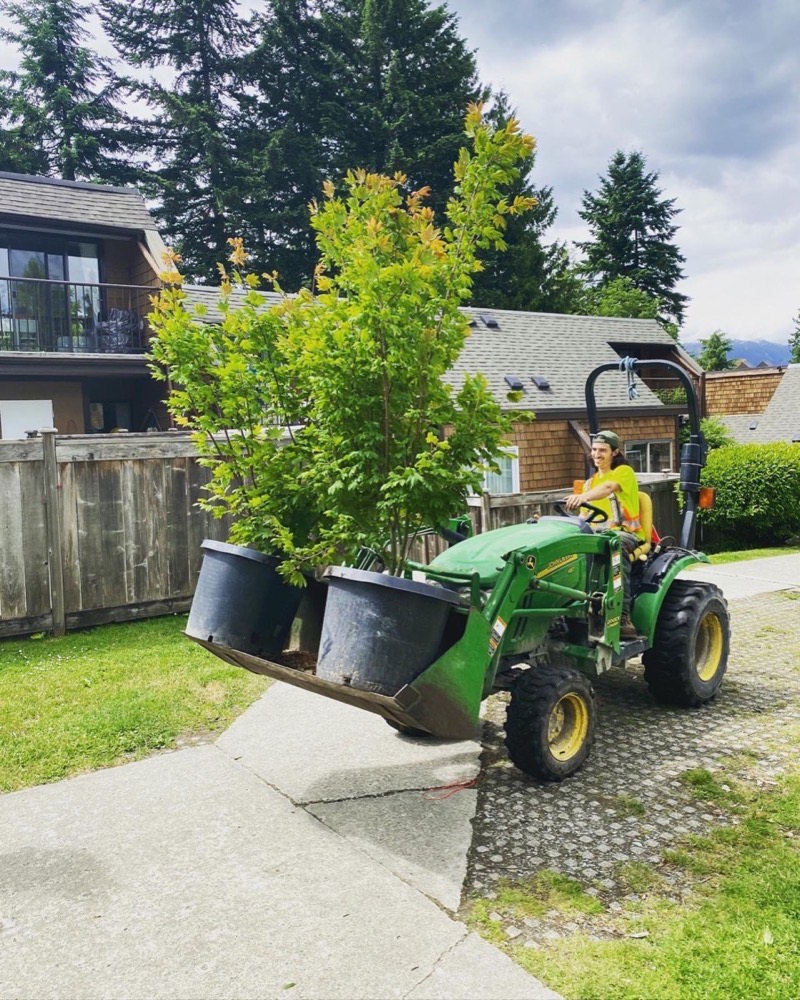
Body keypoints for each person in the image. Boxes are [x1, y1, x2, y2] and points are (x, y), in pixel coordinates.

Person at [563, 429, 644, 640]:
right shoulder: (590, 483)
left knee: (613, 546)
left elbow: (609, 488)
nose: (597, 454)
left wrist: (582, 497)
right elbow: (585, 516)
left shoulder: (623, 472)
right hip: (595, 534)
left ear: (615, 452)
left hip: (624, 534)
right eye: (594, 450)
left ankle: (623, 616)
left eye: (603, 450)